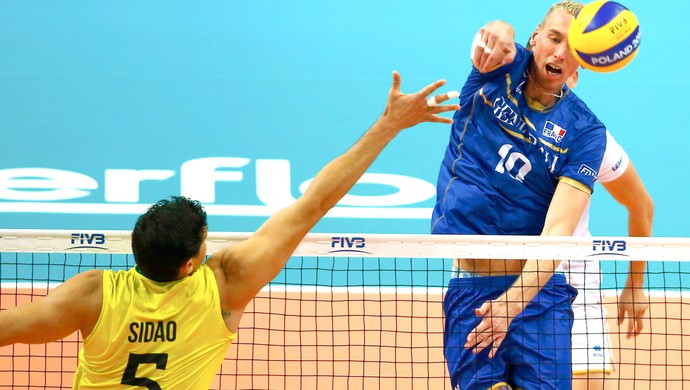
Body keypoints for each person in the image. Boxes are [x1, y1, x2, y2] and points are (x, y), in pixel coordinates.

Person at [0, 71, 459, 389]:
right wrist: (388, 125)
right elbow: (315, 202)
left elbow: (11, 328)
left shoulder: (92, 296)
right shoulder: (224, 285)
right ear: (189, 263)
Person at [430, 1, 608, 389]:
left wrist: (511, 305)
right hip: (472, 289)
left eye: (572, 48)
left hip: (539, 295)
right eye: (553, 38)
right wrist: (499, 28)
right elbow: (495, 40)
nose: (559, 53)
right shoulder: (498, 70)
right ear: (536, 38)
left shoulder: (586, 132)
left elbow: (560, 228)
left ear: (584, 62)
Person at [562, 71, 653, 390]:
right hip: (508, 270)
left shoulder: (591, 137)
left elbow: (641, 205)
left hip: (573, 276)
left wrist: (634, 285)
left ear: (574, 77)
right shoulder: (502, 116)